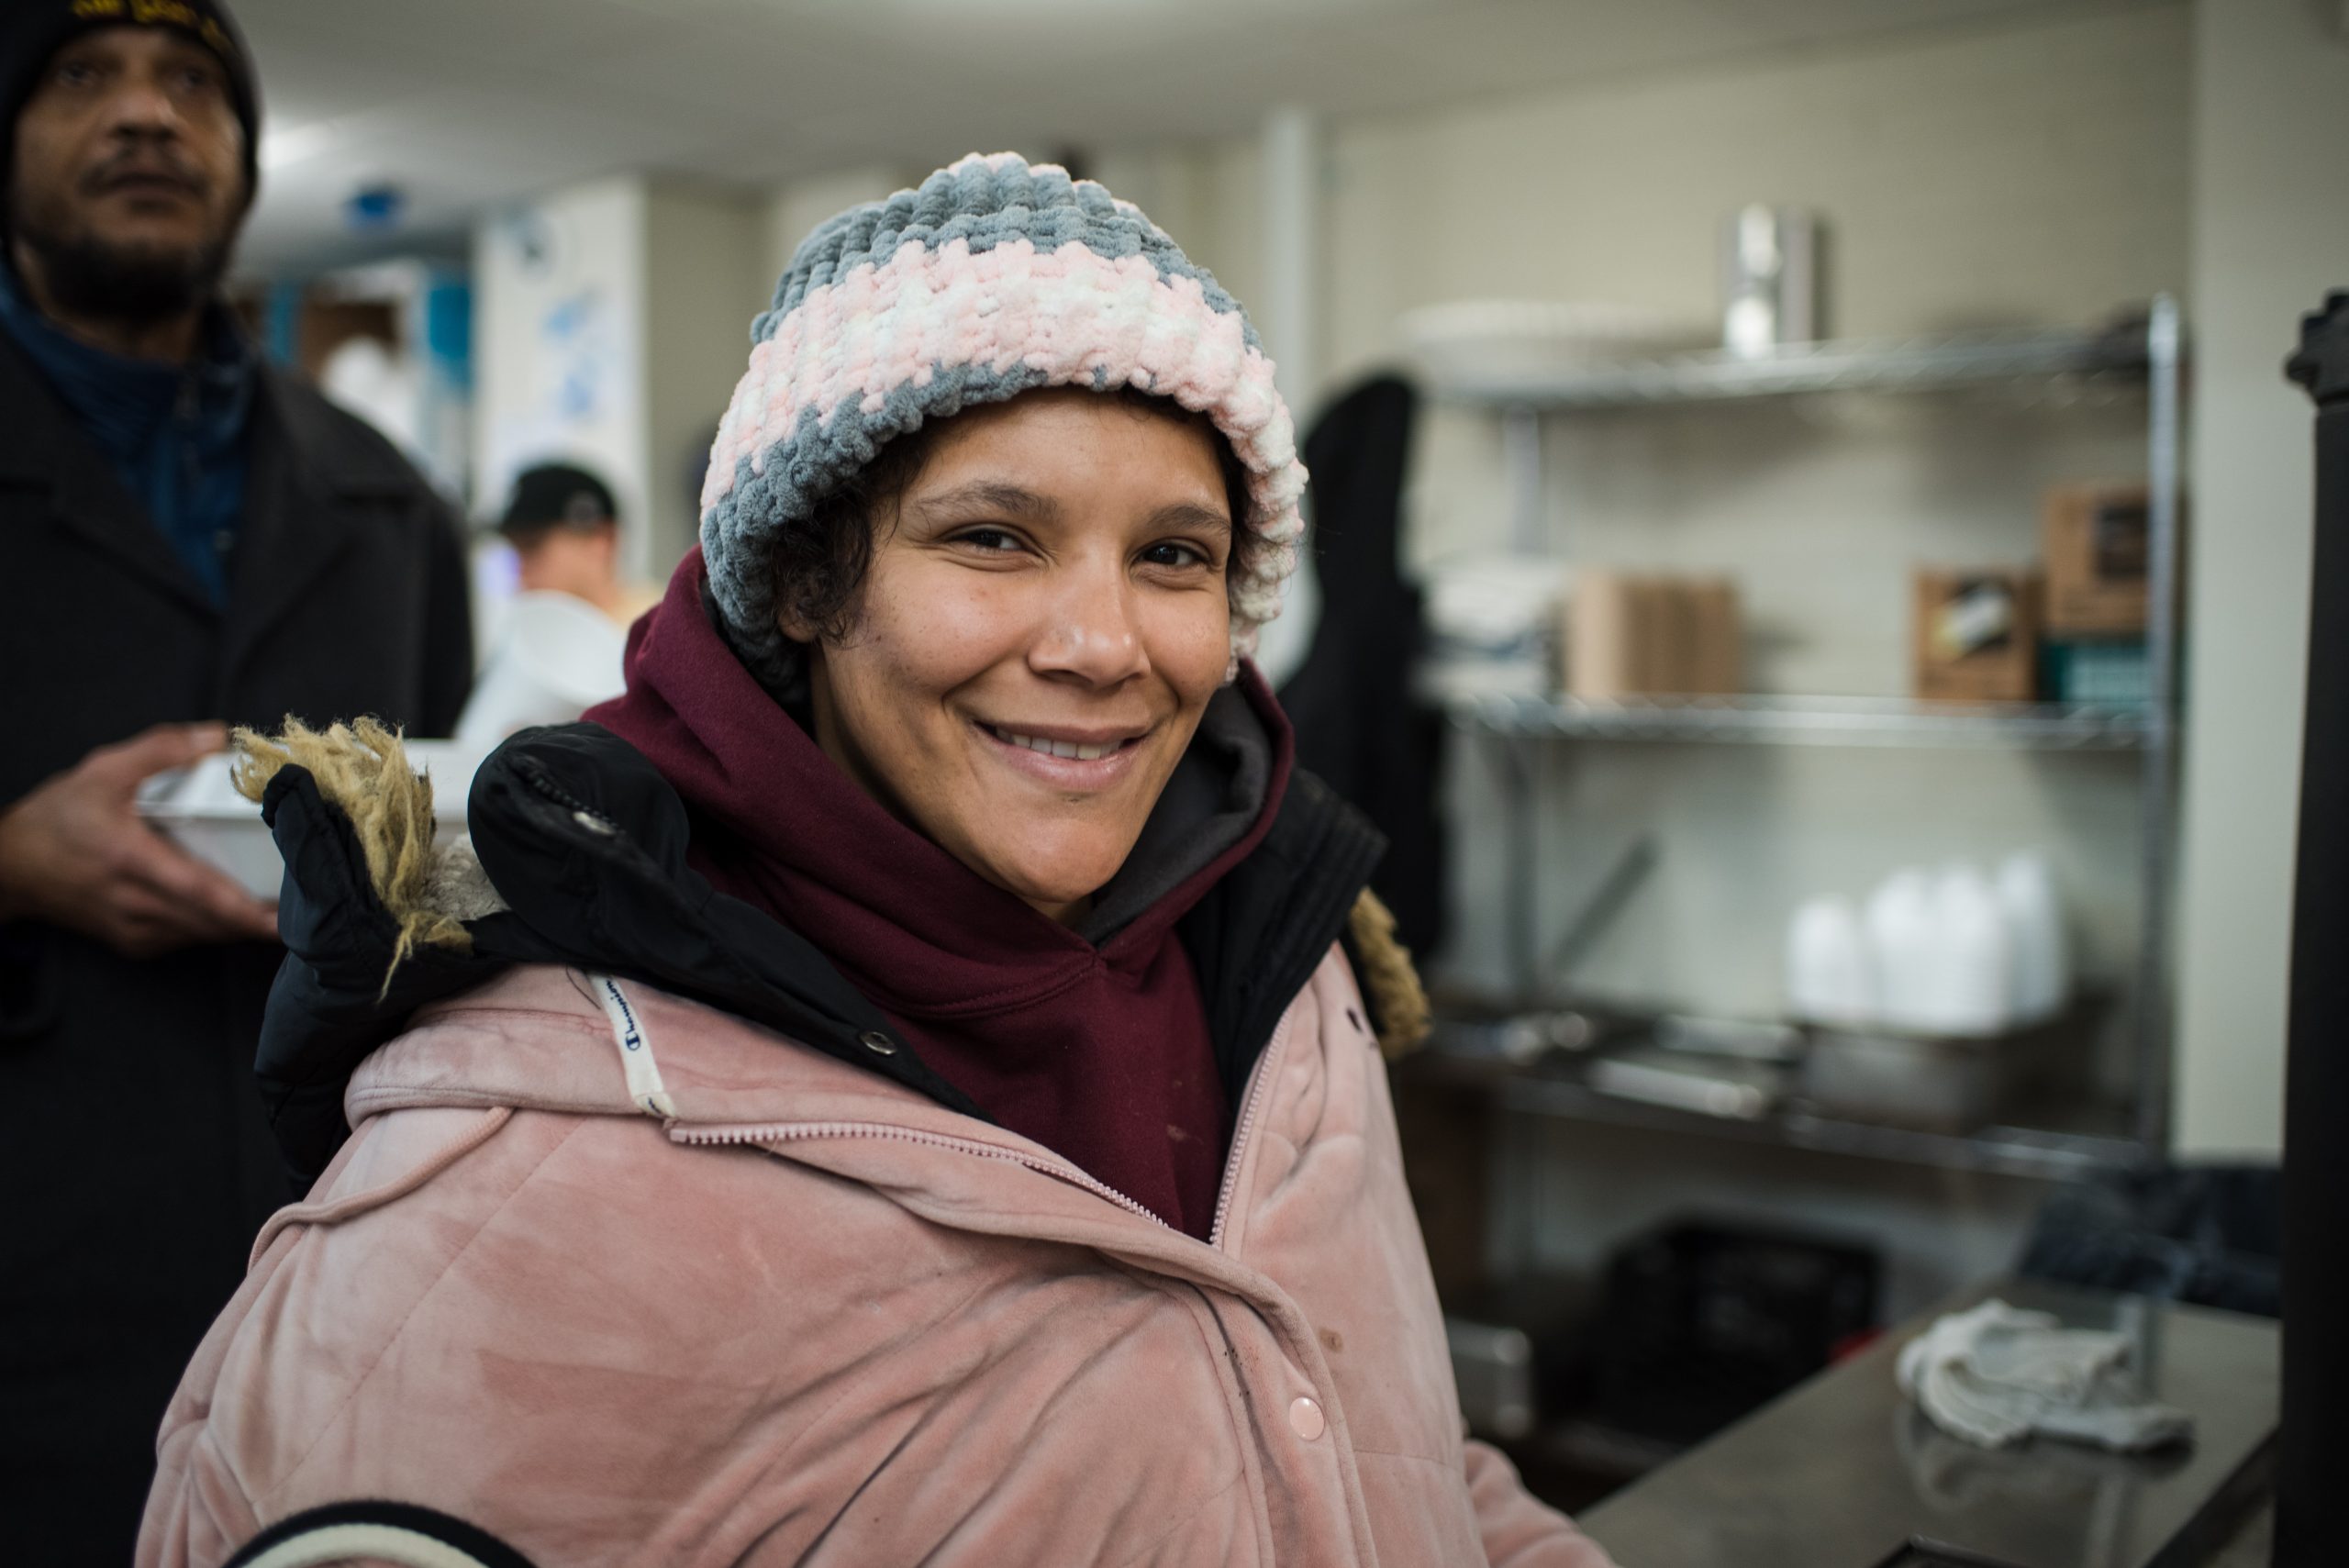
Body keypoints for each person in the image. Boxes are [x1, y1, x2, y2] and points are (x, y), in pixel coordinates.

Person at [137, 154, 1614, 1567]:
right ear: (800, 581)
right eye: (992, 538)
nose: (1104, 647)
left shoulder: (1289, 970)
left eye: (1174, 555)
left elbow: (1392, 1452)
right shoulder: (508, 1177)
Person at [0, 3, 473, 1560]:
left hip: (331, 1235)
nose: (147, 115)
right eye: (83, 78)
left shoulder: (383, 494)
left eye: (192, 84)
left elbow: (446, 821)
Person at [495, 460, 662, 627]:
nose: (519, 570)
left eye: (532, 545)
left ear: (602, 541)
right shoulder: (527, 640)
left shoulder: (666, 631)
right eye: (515, 550)